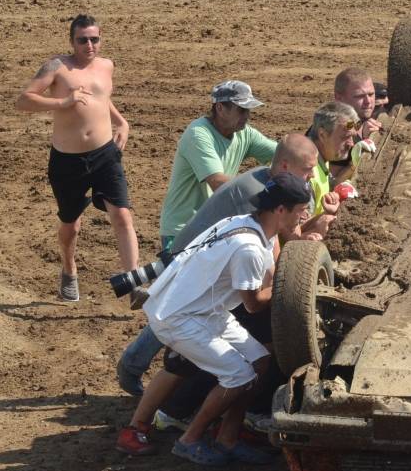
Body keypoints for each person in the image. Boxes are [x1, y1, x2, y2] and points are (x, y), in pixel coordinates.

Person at [115, 174, 311, 465]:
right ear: (280, 210)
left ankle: (227, 437)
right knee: (238, 376)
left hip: (202, 309)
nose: (304, 216)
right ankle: (189, 440)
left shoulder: (249, 223)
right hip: (180, 317)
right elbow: (255, 304)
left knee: (259, 362)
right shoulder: (249, 247)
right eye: (300, 210)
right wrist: (292, 284)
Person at [115, 134, 319, 396]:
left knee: (175, 310)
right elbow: (270, 248)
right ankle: (133, 365)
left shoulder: (266, 180)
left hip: (210, 251)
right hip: (193, 254)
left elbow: (275, 239)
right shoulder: (255, 193)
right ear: (286, 167)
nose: (312, 175)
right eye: (308, 169)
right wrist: (283, 284)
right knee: (175, 310)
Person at [15, 14, 139, 302]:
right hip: (68, 161)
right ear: (71, 41)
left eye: (94, 39)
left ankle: (134, 283)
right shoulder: (58, 67)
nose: (89, 45)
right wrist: (63, 102)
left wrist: (122, 122)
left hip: (105, 154)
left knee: (121, 215)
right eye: (83, 40)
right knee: (71, 224)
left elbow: (101, 98)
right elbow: (23, 100)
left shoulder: (107, 66)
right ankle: (69, 270)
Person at [159, 80, 277, 253]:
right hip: (183, 231)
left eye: (248, 110)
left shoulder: (244, 133)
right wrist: (269, 195)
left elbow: (282, 153)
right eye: (241, 110)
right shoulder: (198, 134)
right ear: (220, 108)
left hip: (216, 228)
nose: (247, 116)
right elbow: (218, 183)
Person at [308, 101, 359, 218]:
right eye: (345, 137)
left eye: (352, 137)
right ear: (322, 135)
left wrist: (352, 166)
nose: (351, 144)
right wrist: (328, 215)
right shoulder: (305, 172)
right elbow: (294, 232)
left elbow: (329, 185)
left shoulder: (320, 157)